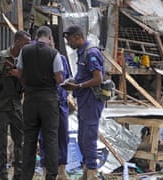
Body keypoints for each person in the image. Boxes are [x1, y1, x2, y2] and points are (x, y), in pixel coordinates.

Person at [15, 25, 64, 180]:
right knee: (50, 138)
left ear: (36, 37)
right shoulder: (54, 53)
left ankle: (26, 175)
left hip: (30, 99)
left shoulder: (25, 51)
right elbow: (59, 79)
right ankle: (50, 175)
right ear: (49, 37)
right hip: (48, 100)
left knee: (29, 138)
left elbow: (20, 73)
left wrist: (28, 85)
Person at [0, 30, 31, 180]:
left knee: (19, 142)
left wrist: (19, 74)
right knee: (2, 143)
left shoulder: (26, 61)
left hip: (16, 106)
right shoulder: (0, 58)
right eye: (25, 43)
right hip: (1, 107)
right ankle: (3, 174)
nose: (27, 46)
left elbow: (28, 84)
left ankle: (18, 173)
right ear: (17, 41)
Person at [62, 24, 105, 179]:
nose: (68, 43)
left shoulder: (91, 53)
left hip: (92, 101)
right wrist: (72, 82)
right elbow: (84, 77)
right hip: (84, 102)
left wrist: (78, 86)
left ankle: (93, 173)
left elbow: (98, 79)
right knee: (82, 138)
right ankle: (86, 170)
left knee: (89, 137)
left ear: (78, 37)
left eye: (70, 39)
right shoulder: (82, 53)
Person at [38, 41, 72, 180]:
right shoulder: (37, 61)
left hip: (61, 103)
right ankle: (46, 171)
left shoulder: (62, 58)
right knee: (45, 137)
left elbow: (68, 79)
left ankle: (62, 171)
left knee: (63, 136)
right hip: (44, 104)